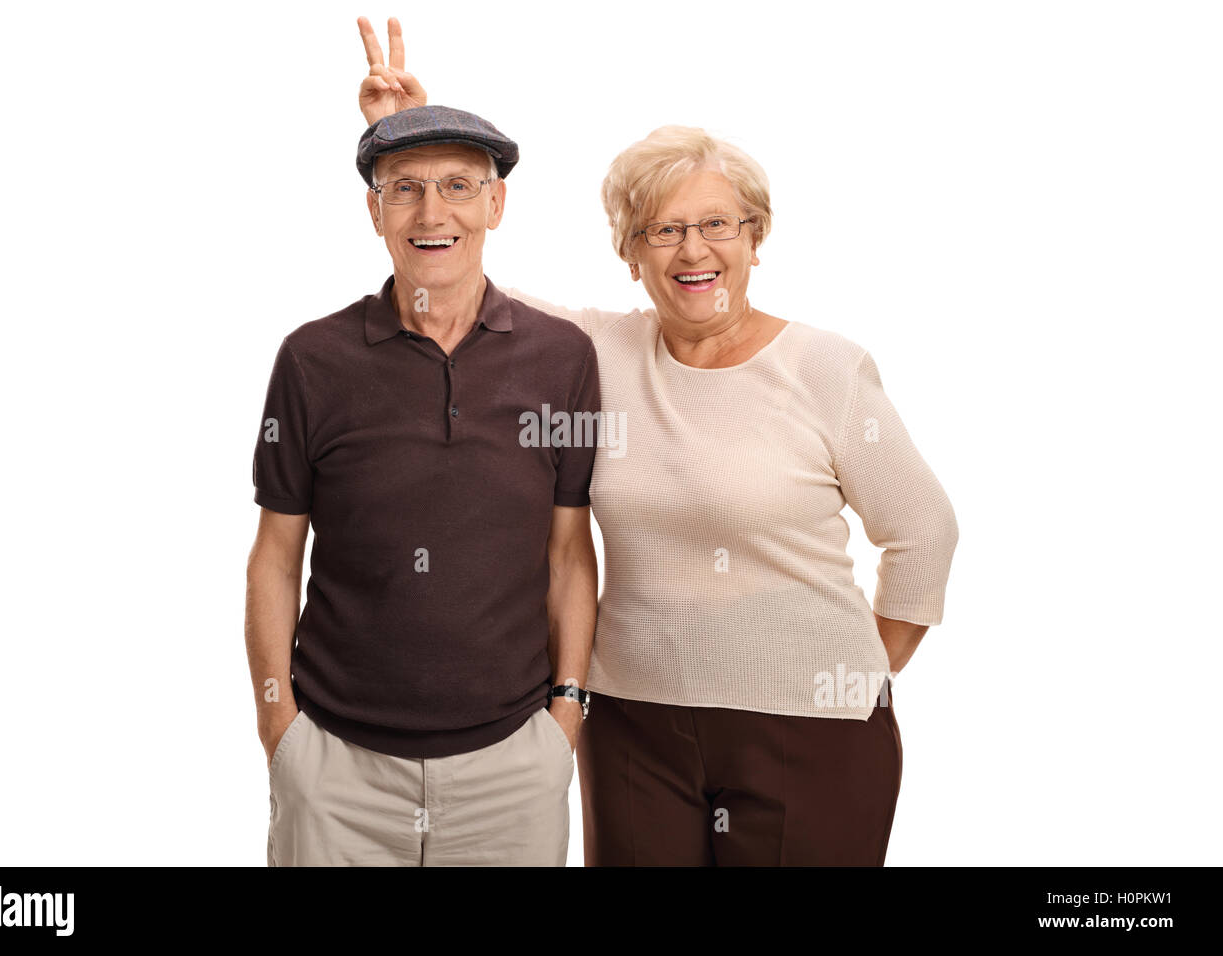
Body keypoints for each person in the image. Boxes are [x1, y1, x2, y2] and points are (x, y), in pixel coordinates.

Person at [357, 17, 959, 866]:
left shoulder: (824, 367)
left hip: (812, 732)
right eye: (663, 231)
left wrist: (852, 674)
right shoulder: (593, 352)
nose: (694, 250)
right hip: (634, 725)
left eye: (718, 225)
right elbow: (448, 271)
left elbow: (925, 533)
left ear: (756, 236)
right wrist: (402, 140)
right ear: (630, 253)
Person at [244, 98, 600, 866]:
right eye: (402, 187)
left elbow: (570, 553)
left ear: (497, 203)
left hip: (512, 768)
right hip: (336, 771)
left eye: (459, 187)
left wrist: (565, 716)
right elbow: (275, 554)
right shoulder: (312, 360)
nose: (431, 211)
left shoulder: (562, 358)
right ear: (375, 212)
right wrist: (281, 733)